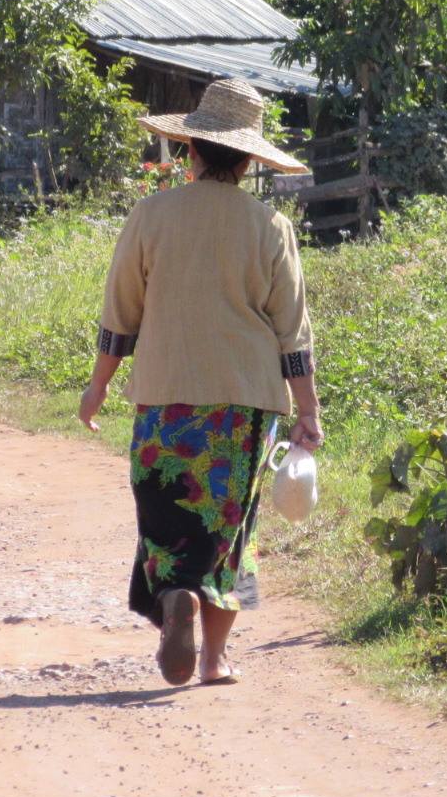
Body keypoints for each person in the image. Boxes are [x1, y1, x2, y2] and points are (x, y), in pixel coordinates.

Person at [78, 78, 323, 686]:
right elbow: (293, 334)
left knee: (166, 518)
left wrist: (98, 387)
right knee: (231, 533)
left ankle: (175, 595)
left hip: (165, 397)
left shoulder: (150, 215)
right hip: (245, 407)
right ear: (248, 160)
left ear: (190, 148)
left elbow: (121, 314)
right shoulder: (271, 226)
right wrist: (308, 412)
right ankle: (213, 659)